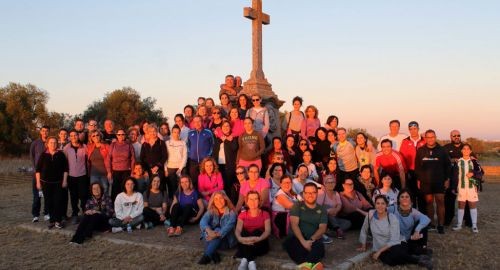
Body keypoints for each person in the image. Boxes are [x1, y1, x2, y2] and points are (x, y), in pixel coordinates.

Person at [358, 195, 432, 269]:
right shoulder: (370, 215)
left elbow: (394, 240)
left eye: (383, 203)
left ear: (386, 205)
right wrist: (363, 245)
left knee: (396, 254)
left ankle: (419, 260)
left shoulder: (392, 218)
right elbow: (364, 229)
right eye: (378, 203)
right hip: (380, 246)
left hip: (397, 243)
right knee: (389, 261)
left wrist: (379, 251)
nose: (380, 206)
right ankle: (418, 255)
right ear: (375, 205)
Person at [283, 183, 327, 270]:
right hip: (297, 238)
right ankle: (313, 265)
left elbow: (322, 228)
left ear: (317, 193)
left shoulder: (322, 209)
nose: (310, 195)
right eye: (307, 192)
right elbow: (294, 225)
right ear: (303, 194)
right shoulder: (297, 206)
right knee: (295, 246)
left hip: (313, 239)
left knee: (319, 247)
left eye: (313, 192)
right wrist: (303, 242)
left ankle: (306, 266)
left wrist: (310, 240)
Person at [415, 129, 451, 234]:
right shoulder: (421, 150)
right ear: (425, 138)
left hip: (439, 180)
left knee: (440, 201)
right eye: (428, 137)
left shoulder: (442, 150)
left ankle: (440, 225)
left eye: (432, 137)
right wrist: (419, 179)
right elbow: (417, 167)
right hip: (426, 181)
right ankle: (431, 224)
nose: (430, 139)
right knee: (429, 203)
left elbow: (448, 166)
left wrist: (447, 179)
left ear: (435, 137)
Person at [35, 136, 69, 229]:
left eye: (54, 142)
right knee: (49, 202)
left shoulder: (61, 154)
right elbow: (38, 170)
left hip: (58, 182)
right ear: (47, 144)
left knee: (58, 201)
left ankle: (58, 221)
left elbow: (66, 169)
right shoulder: (43, 155)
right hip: (46, 183)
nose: (53, 144)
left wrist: (65, 180)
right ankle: (52, 221)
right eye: (51, 142)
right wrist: (38, 183)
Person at [388, 189, 432, 256]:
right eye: (402, 197)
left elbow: (426, 219)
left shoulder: (413, 211)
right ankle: (420, 251)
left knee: (422, 225)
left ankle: (423, 247)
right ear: (398, 199)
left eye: (407, 197)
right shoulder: (393, 209)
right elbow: (380, 211)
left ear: (410, 199)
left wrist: (417, 231)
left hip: (410, 238)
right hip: (398, 239)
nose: (404, 198)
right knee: (403, 250)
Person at [198, 191, 237, 265]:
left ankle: (207, 256)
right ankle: (213, 253)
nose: (218, 201)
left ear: (225, 199)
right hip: (209, 238)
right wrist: (209, 231)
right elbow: (202, 222)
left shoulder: (231, 213)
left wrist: (215, 234)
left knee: (217, 229)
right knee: (206, 228)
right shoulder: (211, 211)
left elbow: (227, 228)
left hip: (225, 242)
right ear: (213, 201)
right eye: (216, 199)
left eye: (221, 198)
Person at [235, 191, 271, 270]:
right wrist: (240, 238)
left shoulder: (265, 214)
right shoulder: (242, 214)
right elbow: (238, 229)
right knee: (244, 232)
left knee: (257, 231)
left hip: (260, 243)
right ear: (247, 201)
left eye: (255, 199)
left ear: (259, 200)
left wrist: (259, 238)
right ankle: (251, 263)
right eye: (250, 199)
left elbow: (268, 231)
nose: (253, 202)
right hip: (245, 241)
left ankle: (244, 260)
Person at [443, 129, 473, 226]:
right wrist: (451, 160)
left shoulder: (465, 147)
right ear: (451, 137)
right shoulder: (446, 148)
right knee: (449, 201)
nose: (456, 137)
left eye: (458, 135)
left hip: (465, 179)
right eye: (454, 135)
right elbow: (442, 160)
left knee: (467, 200)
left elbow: (474, 160)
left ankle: (468, 220)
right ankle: (448, 219)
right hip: (451, 178)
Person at [452, 144, 482, 233]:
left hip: (471, 186)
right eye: (464, 149)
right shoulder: (458, 161)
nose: (466, 150)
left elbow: (481, 172)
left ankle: (474, 225)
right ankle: (459, 225)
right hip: (461, 186)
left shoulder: (474, 161)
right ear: (461, 151)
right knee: (461, 205)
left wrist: (473, 173)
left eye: (467, 149)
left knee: (472, 205)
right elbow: (454, 175)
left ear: (470, 151)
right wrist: (453, 187)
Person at [63, 129, 89, 225]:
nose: (74, 137)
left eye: (75, 135)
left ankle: (84, 213)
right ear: (69, 137)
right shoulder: (66, 148)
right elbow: (64, 163)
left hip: (82, 175)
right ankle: (75, 214)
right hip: (71, 176)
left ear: (78, 136)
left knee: (83, 195)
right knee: (73, 196)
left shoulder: (84, 147)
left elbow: (88, 161)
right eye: (72, 135)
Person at [399, 121, 426, 211]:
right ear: (409, 130)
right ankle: (412, 218)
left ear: (418, 129)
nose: (413, 131)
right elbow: (402, 158)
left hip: (423, 172)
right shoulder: (405, 141)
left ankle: (423, 219)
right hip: (410, 172)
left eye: (415, 129)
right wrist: (406, 172)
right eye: (411, 129)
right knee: (412, 196)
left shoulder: (424, 140)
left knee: (422, 196)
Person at [318, 174, 351, 239]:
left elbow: (339, 204)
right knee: (326, 206)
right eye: (328, 182)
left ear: (335, 183)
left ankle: (331, 231)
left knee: (348, 223)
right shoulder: (321, 193)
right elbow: (317, 208)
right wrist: (328, 211)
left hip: (334, 219)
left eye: (332, 182)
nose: (330, 184)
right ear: (324, 183)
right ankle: (337, 229)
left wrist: (336, 210)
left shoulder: (336, 193)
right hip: (324, 220)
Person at [187, 116, 214, 188]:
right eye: (195, 122)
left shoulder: (208, 132)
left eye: (199, 121)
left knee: (205, 180)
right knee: (194, 180)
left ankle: (206, 197)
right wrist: (190, 154)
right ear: (193, 123)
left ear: (202, 122)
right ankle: (196, 197)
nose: (197, 123)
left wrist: (208, 155)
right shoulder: (190, 133)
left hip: (204, 161)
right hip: (193, 161)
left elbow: (212, 145)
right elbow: (188, 145)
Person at [109, 128, 136, 202]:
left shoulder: (129, 145)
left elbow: (133, 159)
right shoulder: (113, 145)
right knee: (115, 190)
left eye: (123, 134)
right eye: (119, 134)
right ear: (116, 135)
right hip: (115, 171)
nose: (121, 136)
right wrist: (109, 171)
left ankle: (126, 206)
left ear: (125, 135)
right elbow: (109, 158)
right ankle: (114, 207)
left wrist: (132, 171)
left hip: (126, 170)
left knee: (125, 189)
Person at [213, 120, 238, 196]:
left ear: (230, 128)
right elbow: (215, 152)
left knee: (229, 185)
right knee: (221, 185)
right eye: (224, 126)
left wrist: (226, 141)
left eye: (227, 126)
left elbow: (234, 148)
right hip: (219, 165)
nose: (226, 128)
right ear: (221, 128)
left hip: (229, 165)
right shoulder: (218, 139)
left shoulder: (233, 138)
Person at [30, 125, 49, 222]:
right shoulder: (35, 143)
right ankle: (35, 215)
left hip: (48, 174)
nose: (45, 132)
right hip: (37, 173)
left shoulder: (51, 142)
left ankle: (46, 213)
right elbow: (32, 157)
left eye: (46, 131)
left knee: (47, 195)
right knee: (37, 195)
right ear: (40, 132)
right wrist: (35, 170)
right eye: (43, 131)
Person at [140, 125, 168, 191]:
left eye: (154, 131)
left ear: (157, 132)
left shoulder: (161, 143)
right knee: (149, 188)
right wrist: (146, 170)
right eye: (150, 131)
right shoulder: (144, 144)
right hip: (148, 170)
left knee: (160, 187)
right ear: (148, 133)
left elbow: (165, 156)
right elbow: (142, 158)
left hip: (159, 169)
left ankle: (163, 201)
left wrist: (157, 166)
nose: (152, 133)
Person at [165, 124, 188, 198]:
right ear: (172, 133)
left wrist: (180, 169)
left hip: (181, 168)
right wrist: (165, 169)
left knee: (181, 186)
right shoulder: (167, 143)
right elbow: (165, 157)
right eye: (174, 132)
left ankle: (182, 201)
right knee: (172, 187)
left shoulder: (183, 143)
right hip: (170, 168)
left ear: (180, 133)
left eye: (178, 132)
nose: (176, 134)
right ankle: (172, 204)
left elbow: (185, 156)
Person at [87, 130, 112, 194]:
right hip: (93, 174)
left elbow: (110, 160)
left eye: (97, 135)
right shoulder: (89, 147)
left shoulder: (106, 146)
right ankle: (96, 204)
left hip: (104, 173)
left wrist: (109, 172)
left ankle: (104, 204)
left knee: (105, 190)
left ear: (100, 136)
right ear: (91, 138)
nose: (96, 137)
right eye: (93, 136)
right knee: (94, 192)